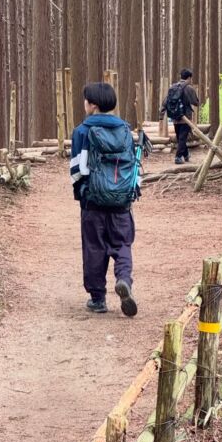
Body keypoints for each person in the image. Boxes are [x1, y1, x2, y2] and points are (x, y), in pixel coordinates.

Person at [69, 82, 139, 316]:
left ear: (93, 104)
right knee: (122, 244)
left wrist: (81, 194)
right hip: (121, 200)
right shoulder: (126, 130)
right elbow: (134, 165)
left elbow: (77, 169)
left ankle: (98, 299)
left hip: (93, 201)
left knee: (94, 247)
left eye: (85, 100)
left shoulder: (82, 131)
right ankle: (124, 280)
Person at [164, 68, 199, 165]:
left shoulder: (173, 87)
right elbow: (196, 102)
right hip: (185, 118)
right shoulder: (189, 88)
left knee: (180, 138)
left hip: (175, 117)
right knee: (182, 138)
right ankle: (178, 157)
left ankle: (186, 154)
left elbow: (166, 100)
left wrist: (162, 113)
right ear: (189, 77)